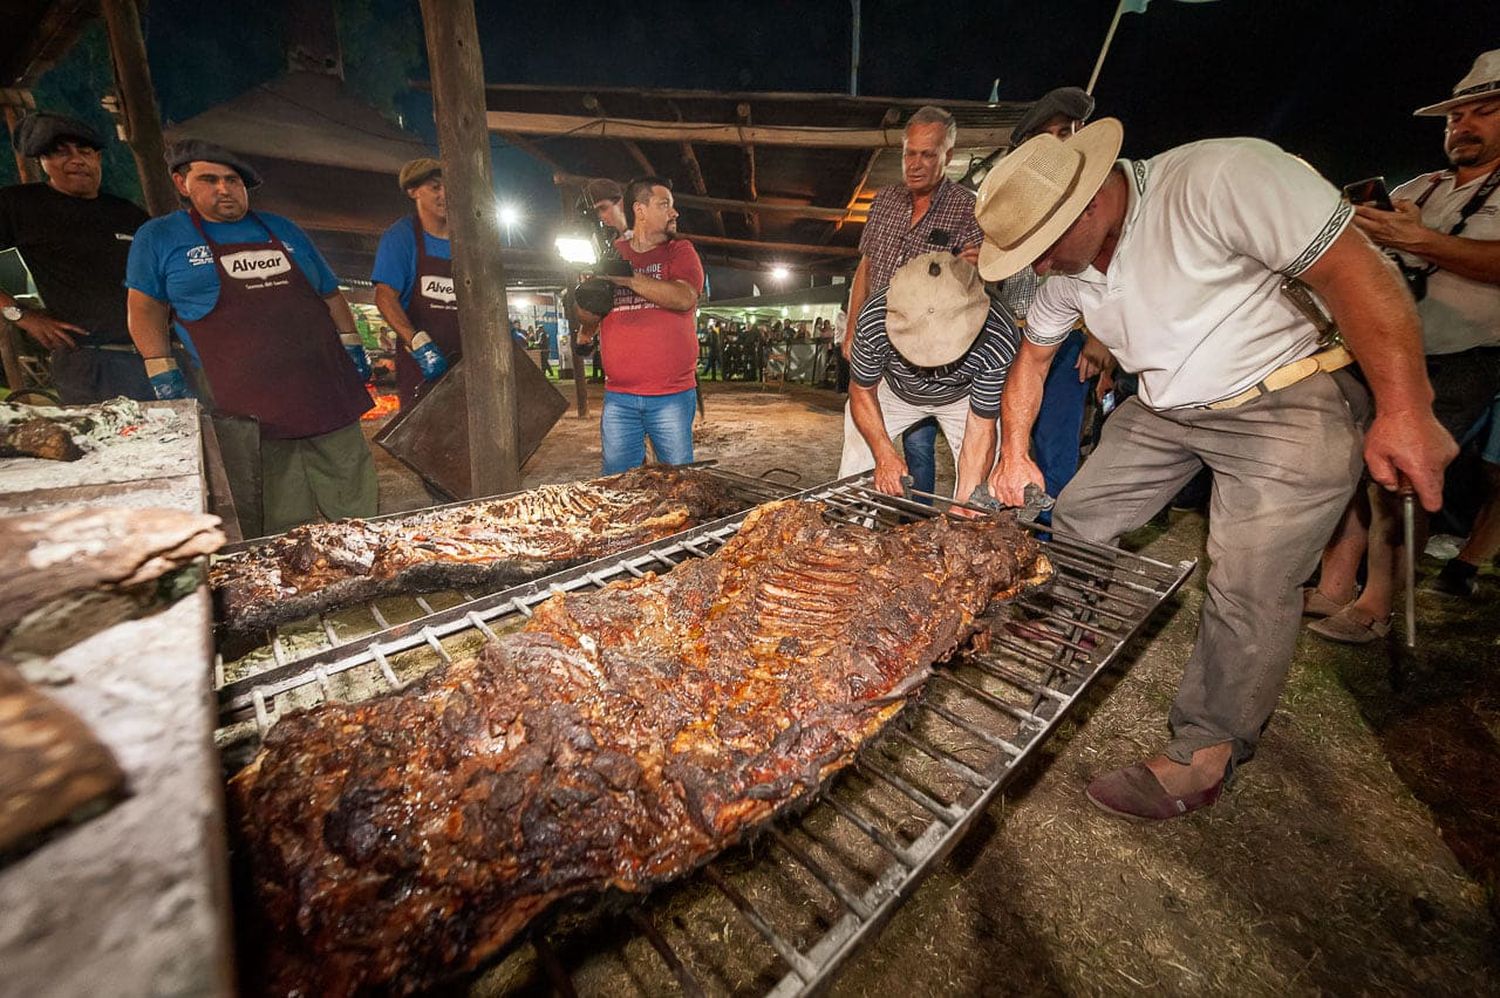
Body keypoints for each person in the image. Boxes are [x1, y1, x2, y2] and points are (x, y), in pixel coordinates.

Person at [978, 120, 1454, 821]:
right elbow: (1033, 360)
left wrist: (1405, 407)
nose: (1038, 269)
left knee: (1247, 577)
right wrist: (1014, 450)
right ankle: (1074, 620)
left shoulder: (1221, 177)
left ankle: (1206, 750)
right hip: (1167, 405)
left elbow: (1356, 272)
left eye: (1039, 250)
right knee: (1082, 511)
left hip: (1286, 396)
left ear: (1086, 207)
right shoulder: (1067, 274)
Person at [1307, 50, 1500, 628]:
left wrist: (1419, 242)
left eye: (1483, 113)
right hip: (1385, 346)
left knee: (1402, 475)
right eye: (1453, 118)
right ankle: (1335, 585)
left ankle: (1379, 604)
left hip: (1466, 355)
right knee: (1347, 465)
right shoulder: (1426, 185)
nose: (1461, 127)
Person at [126, 139, 375, 537]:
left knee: (350, 476)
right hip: (245, 396)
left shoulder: (282, 228)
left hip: (322, 382)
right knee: (275, 498)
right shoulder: (160, 237)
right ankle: (294, 567)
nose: (224, 188)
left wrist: (351, 341)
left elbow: (329, 293)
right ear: (181, 183)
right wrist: (159, 366)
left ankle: (368, 549)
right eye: (209, 179)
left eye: (233, 180)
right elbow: (145, 308)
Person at [844, 106, 984, 500]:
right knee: (861, 443)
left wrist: (974, 267)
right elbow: (866, 266)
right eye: (910, 153)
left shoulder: (967, 206)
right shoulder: (885, 200)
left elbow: (981, 276)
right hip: (885, 350)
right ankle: (855, 528)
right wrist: (853, 325)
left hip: (949, 363)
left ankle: (944, 520)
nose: (916, 164)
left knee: (971, 465)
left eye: (928, 155)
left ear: (948, 156)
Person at [1004, 87, 1117, 506]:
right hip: (1016, 333)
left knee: (1057, 445)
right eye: (1044, 138)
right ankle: (1011, 531)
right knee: (1012, 440)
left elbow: (1112, 271)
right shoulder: (1021, 194)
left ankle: (1052, 539)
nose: (1056, 145)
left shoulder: (1099, 191)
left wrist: (1098, 336)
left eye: (1062, 133)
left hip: (1069, 336)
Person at [841, 252, 1018, 502]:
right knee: (857, 460)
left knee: (978, 493)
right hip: (895, 391)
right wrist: (883, 454)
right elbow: (861, 391)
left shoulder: (997, 333)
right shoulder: (874, 317)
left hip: (962, 398)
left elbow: (981, 426)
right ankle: (850, 525)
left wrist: (966, 502)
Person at [0, 111, 151, 402]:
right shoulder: (18, 204)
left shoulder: (127, 212)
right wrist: (20, 315)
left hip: (151, 357)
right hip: (87, 363)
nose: (76, 160)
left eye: (85, 151)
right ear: (42, 162)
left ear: (98, 159)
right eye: (60, 153)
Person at [576, 176, 703, 473]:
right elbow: (587, 318)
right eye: (665, 205)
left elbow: (684, 297)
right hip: (620, 397)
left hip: (670, 395)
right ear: (640, 210)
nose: (674, 212)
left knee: (677, 483)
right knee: (619, 484)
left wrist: (627, 278)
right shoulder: (611, 253)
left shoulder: (680, 251)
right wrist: (588, 298)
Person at [371, 157, 455, 411]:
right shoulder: (402, 237)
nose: (444, 194)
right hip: (423, 365)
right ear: (413, 191)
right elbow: (384, 297)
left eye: (449, 186)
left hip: (468, 356)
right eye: (435, 187)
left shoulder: (468, 238)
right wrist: (419, 345)